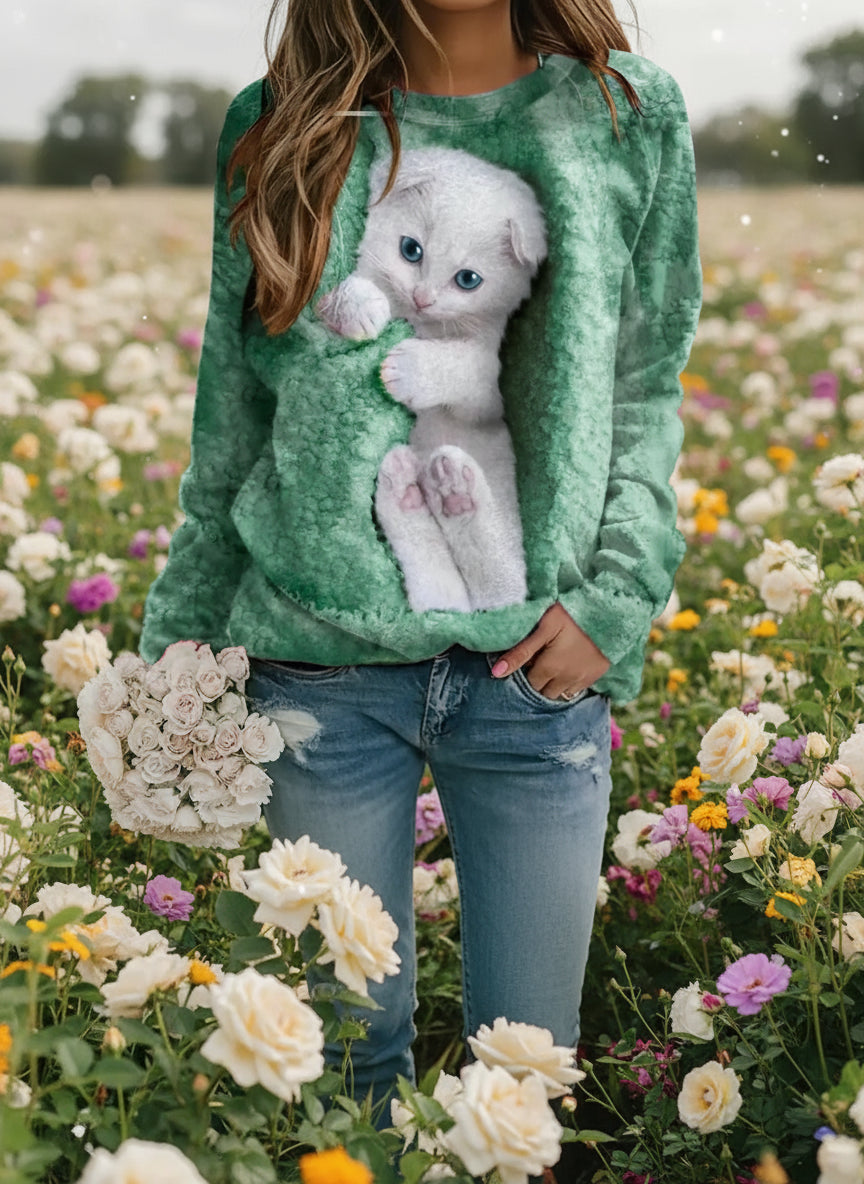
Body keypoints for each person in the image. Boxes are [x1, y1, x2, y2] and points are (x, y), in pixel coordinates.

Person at [139, 0, 702, 1174]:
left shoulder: (623, 115)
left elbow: (646, 385)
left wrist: (613, 599)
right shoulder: (283, 124)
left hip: (532, 670)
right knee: (342, 1072)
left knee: (524, 1087)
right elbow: (230, 414)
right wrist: (175, 653)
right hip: (313, 669)